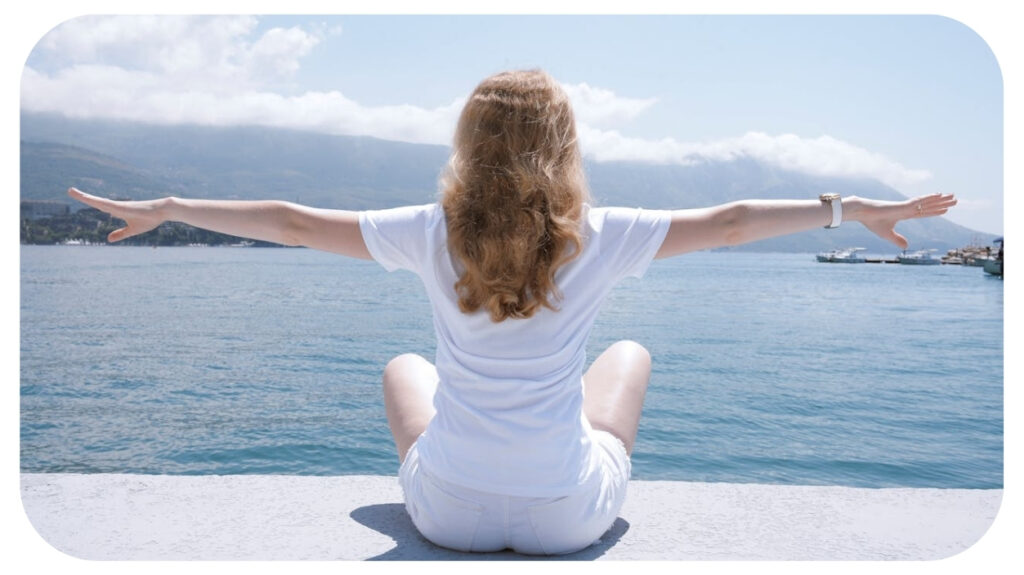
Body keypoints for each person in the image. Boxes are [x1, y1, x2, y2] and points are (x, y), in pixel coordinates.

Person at [68, 69, 956, 555]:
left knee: (403, 368)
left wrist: (174, 205)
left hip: (446, 514)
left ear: (467, 142)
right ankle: (549, 451)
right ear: (566, 147)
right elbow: (728, 223)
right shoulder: (599, 235)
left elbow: (295, 224)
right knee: (629, 354)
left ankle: (484, 459)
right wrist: (850, 209)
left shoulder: (429, 231)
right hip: (569, 514)